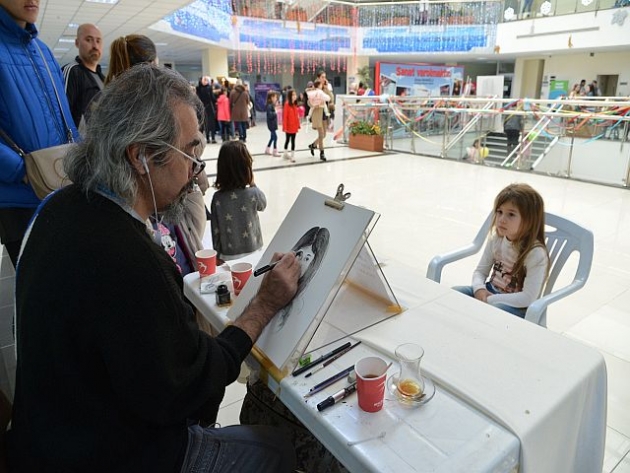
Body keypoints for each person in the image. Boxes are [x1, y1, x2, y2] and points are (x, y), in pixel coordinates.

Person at [7, 64, 300, 473]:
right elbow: (190, 389)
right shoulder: (124, 256)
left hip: (48, 435)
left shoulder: (59, 207)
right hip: (105, 455)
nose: (196, 169)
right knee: (278, 450)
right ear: (141, 156)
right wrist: (263, 306)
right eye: (190, 152)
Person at [0, 0, 80, 268]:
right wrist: (20, 170)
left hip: (60, 187)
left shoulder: (42, 51)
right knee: (40, 286)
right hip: (19, 199)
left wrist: (80, 160)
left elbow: (64, 118)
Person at [453, 183, 550, 318]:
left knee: (491, 313)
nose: (502, 219)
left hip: (517, 306)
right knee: (453, 294)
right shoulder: (496, 239)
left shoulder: (535, 253)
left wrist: (490, 300)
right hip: (489, 292)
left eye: (511, 214)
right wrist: (479, 289)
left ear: (529, 220)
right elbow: (480, 272)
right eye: (499, 212)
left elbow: (528, 297)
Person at [210, 141, 266, 262]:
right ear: (246, 168)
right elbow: (263, 205)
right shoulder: (253, 193)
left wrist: (217, 255)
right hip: (254, 250)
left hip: (228, 255)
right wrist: (253, 184)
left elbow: (215, 229)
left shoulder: (217, 198)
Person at [277, 226, 330, 328]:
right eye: (299, 254)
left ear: (312, 265)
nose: (299, 262)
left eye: (307, 259)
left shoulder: (297, 307)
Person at [62, 23, 105, 128]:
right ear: (77, 43)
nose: (95, 46)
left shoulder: (102, 78)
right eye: (89, 40)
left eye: (98, 41)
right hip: (80, 138)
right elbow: (62, 114)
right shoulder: (72, 72)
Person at [306, 79, 332, 162]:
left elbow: (331, 98)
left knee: (324, 135)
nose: (324, 80)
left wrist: (327, 89)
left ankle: (313, 145)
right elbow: (308, 102)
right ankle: (322, 153)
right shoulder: (314, 91)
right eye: (322, 77)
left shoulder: (325, 89)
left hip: (324, 114)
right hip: (318, 113)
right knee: (321, 134)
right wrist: (313, 104)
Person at [196, 76, 217, 144]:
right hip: (209, 107)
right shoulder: (209, 88)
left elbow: (198, 98)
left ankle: (207, 138)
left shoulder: (198, 88)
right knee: (212, 124)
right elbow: (212, 98)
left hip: (202, 108)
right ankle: (213, 138)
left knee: (205, 124)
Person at [282, 89, 301, 163]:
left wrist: (298, 125)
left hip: (294, 126)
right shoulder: (287, 104)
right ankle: (285, 153)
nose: (295, 96)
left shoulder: (295, 104)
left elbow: (296, 116)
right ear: (290, 96)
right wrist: (285, 127)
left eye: (295, 94)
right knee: (287, 140)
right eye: (293, 95)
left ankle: (292, 155)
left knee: (293, 140)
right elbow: (285, 116)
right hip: (288, 126)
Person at [264, 91, 280, 157]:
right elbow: (270, 115)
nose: (276, 98)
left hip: (272, 124)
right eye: (275, 97)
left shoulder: (271, 105)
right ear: (271, 97)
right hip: (271, 124)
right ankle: (275, 151)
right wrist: (275, 112)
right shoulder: (269, 106)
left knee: (272, 137)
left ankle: (267, 149)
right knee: (275, 137)